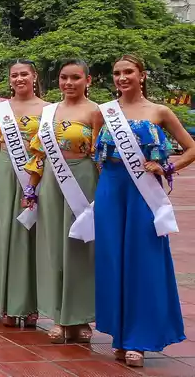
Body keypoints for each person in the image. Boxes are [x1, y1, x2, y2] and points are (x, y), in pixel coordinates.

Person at [95, 54, 195, 367]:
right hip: (111, 188)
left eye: (128, 72)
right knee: (112, 260)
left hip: (144, 192)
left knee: (143, 260)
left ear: (142, 75)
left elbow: (191, 148)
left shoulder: (159, 111)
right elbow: (97, 156)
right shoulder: (105, 112)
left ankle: (139, 339)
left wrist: (168, 167)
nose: (122, 78)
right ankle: (119, 335)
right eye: (117, 73)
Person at [25, 60, 99, 343]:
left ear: (87, 80)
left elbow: (101, 154)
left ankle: (80, 317)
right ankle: (58, 316)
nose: (68, 83)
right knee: (53, 247)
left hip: (84, 179)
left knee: (80, 248)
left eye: (75, 77)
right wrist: (31, 188)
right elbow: (38, 154)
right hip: (51, 182)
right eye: (63, 77)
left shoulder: (96, 111)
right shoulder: (49, 112)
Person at [0, 60, 44, 327]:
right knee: (4, 235)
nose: (19, 79)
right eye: (14, 75)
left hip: (36, 174)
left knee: (30, 239)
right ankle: (7, 303)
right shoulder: (0, 110)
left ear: (34, 76)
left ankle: (28, 304)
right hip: (4, 172)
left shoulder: (49, 109)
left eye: (24, 74)